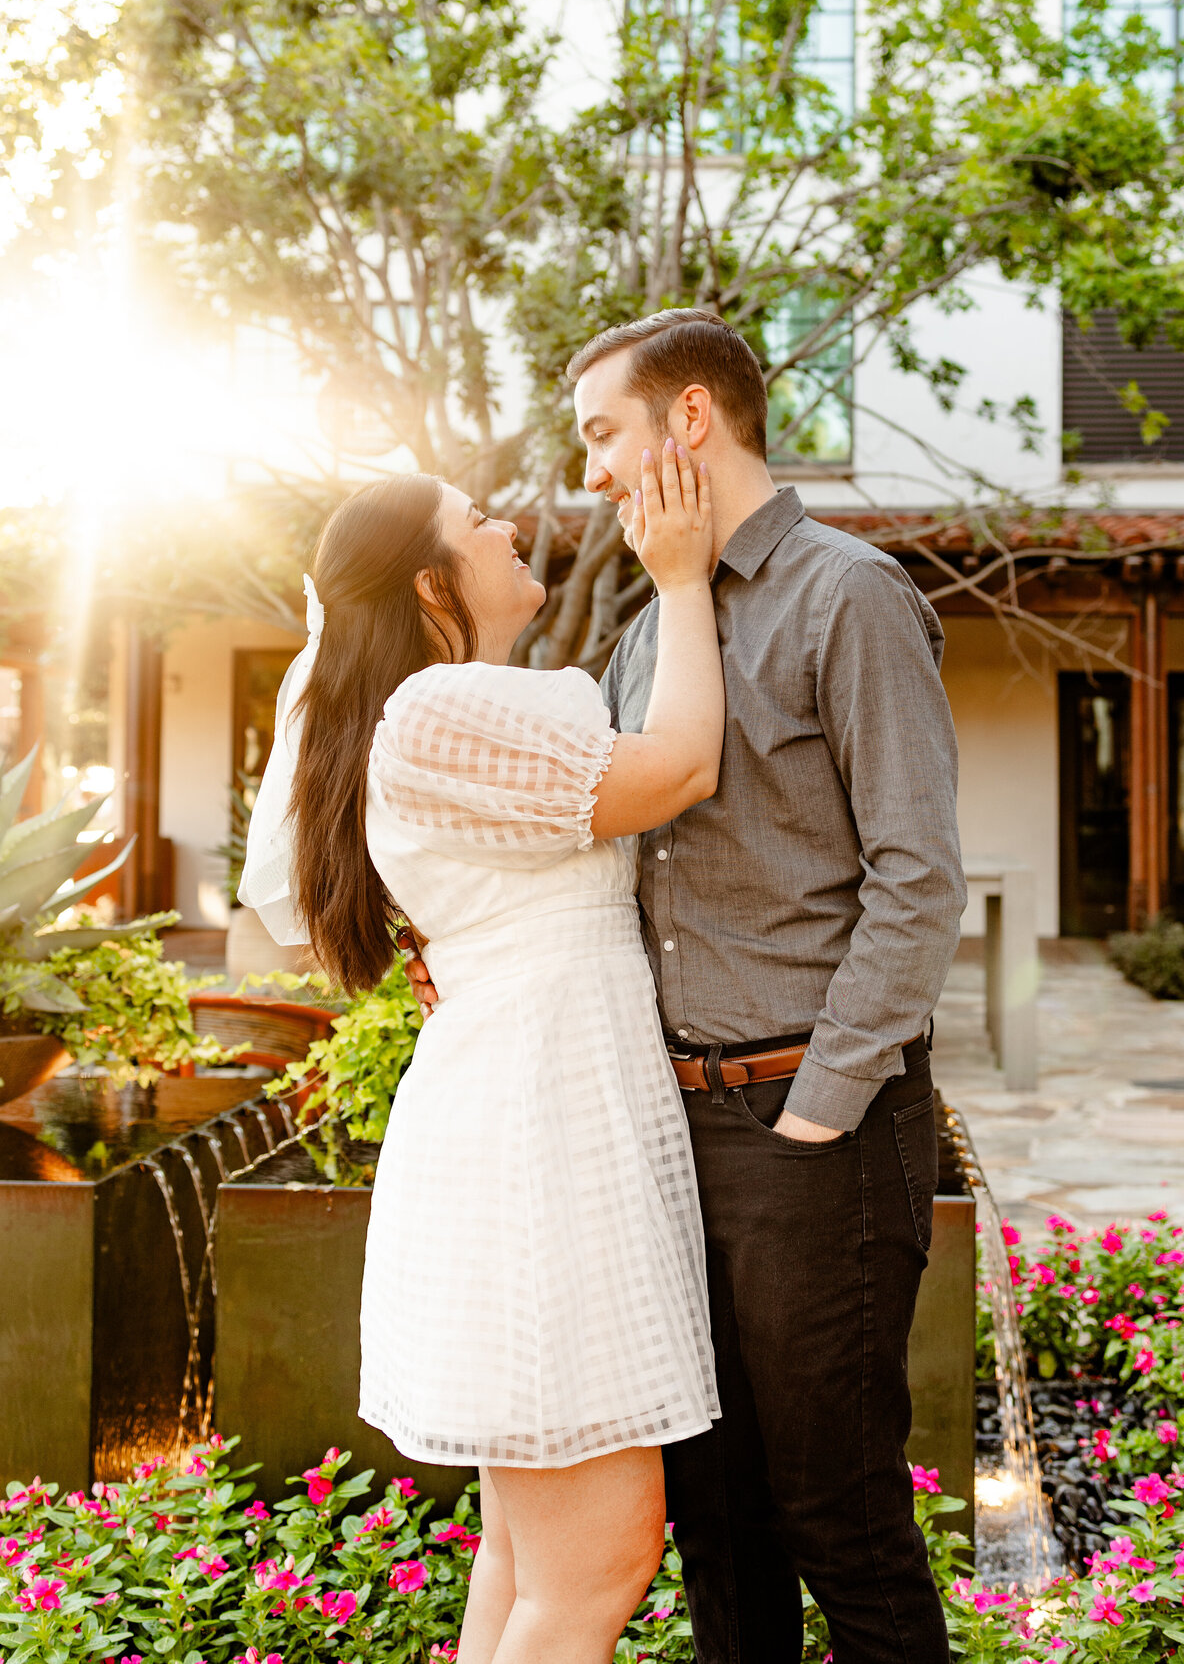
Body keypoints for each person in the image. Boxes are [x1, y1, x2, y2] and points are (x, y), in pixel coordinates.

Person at [407, 308, 968, 1664]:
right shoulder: (653, 634)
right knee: (718, 1519)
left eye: (605, 431)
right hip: (665, 1138)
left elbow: (918, 878)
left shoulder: (852, 595)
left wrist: (820, 1106)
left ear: (693, 418)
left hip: (807, 1127)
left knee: (837, 1511)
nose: (594, 469)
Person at [239, 452, 726, 1664]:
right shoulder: (436, 709)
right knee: (598, 1560)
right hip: (537, 1137)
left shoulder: (450, 711)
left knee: (528, 1557)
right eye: (477, 519)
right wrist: (681, 580)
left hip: (539, 1109)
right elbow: (679, 770)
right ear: (428, 582)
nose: (507, 524)